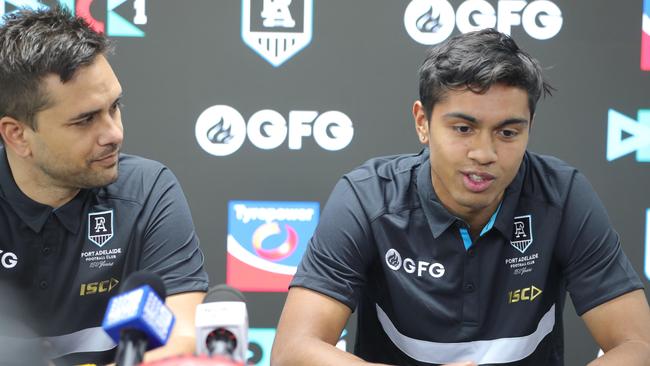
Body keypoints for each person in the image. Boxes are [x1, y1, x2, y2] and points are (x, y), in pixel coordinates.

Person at [271, 29, 650, 366]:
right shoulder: (368, 197)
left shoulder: (562, 196)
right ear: (423, 122)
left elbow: (639, 345)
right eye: (464, 128)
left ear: (529, 129)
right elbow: (293, 350)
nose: (484, 153)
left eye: (507, 133)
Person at [0, 6, 209, 365]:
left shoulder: (148, 191)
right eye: (85, 120)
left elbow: (181, 338)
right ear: (17, 135)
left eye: (115, 107)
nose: (114, 133)